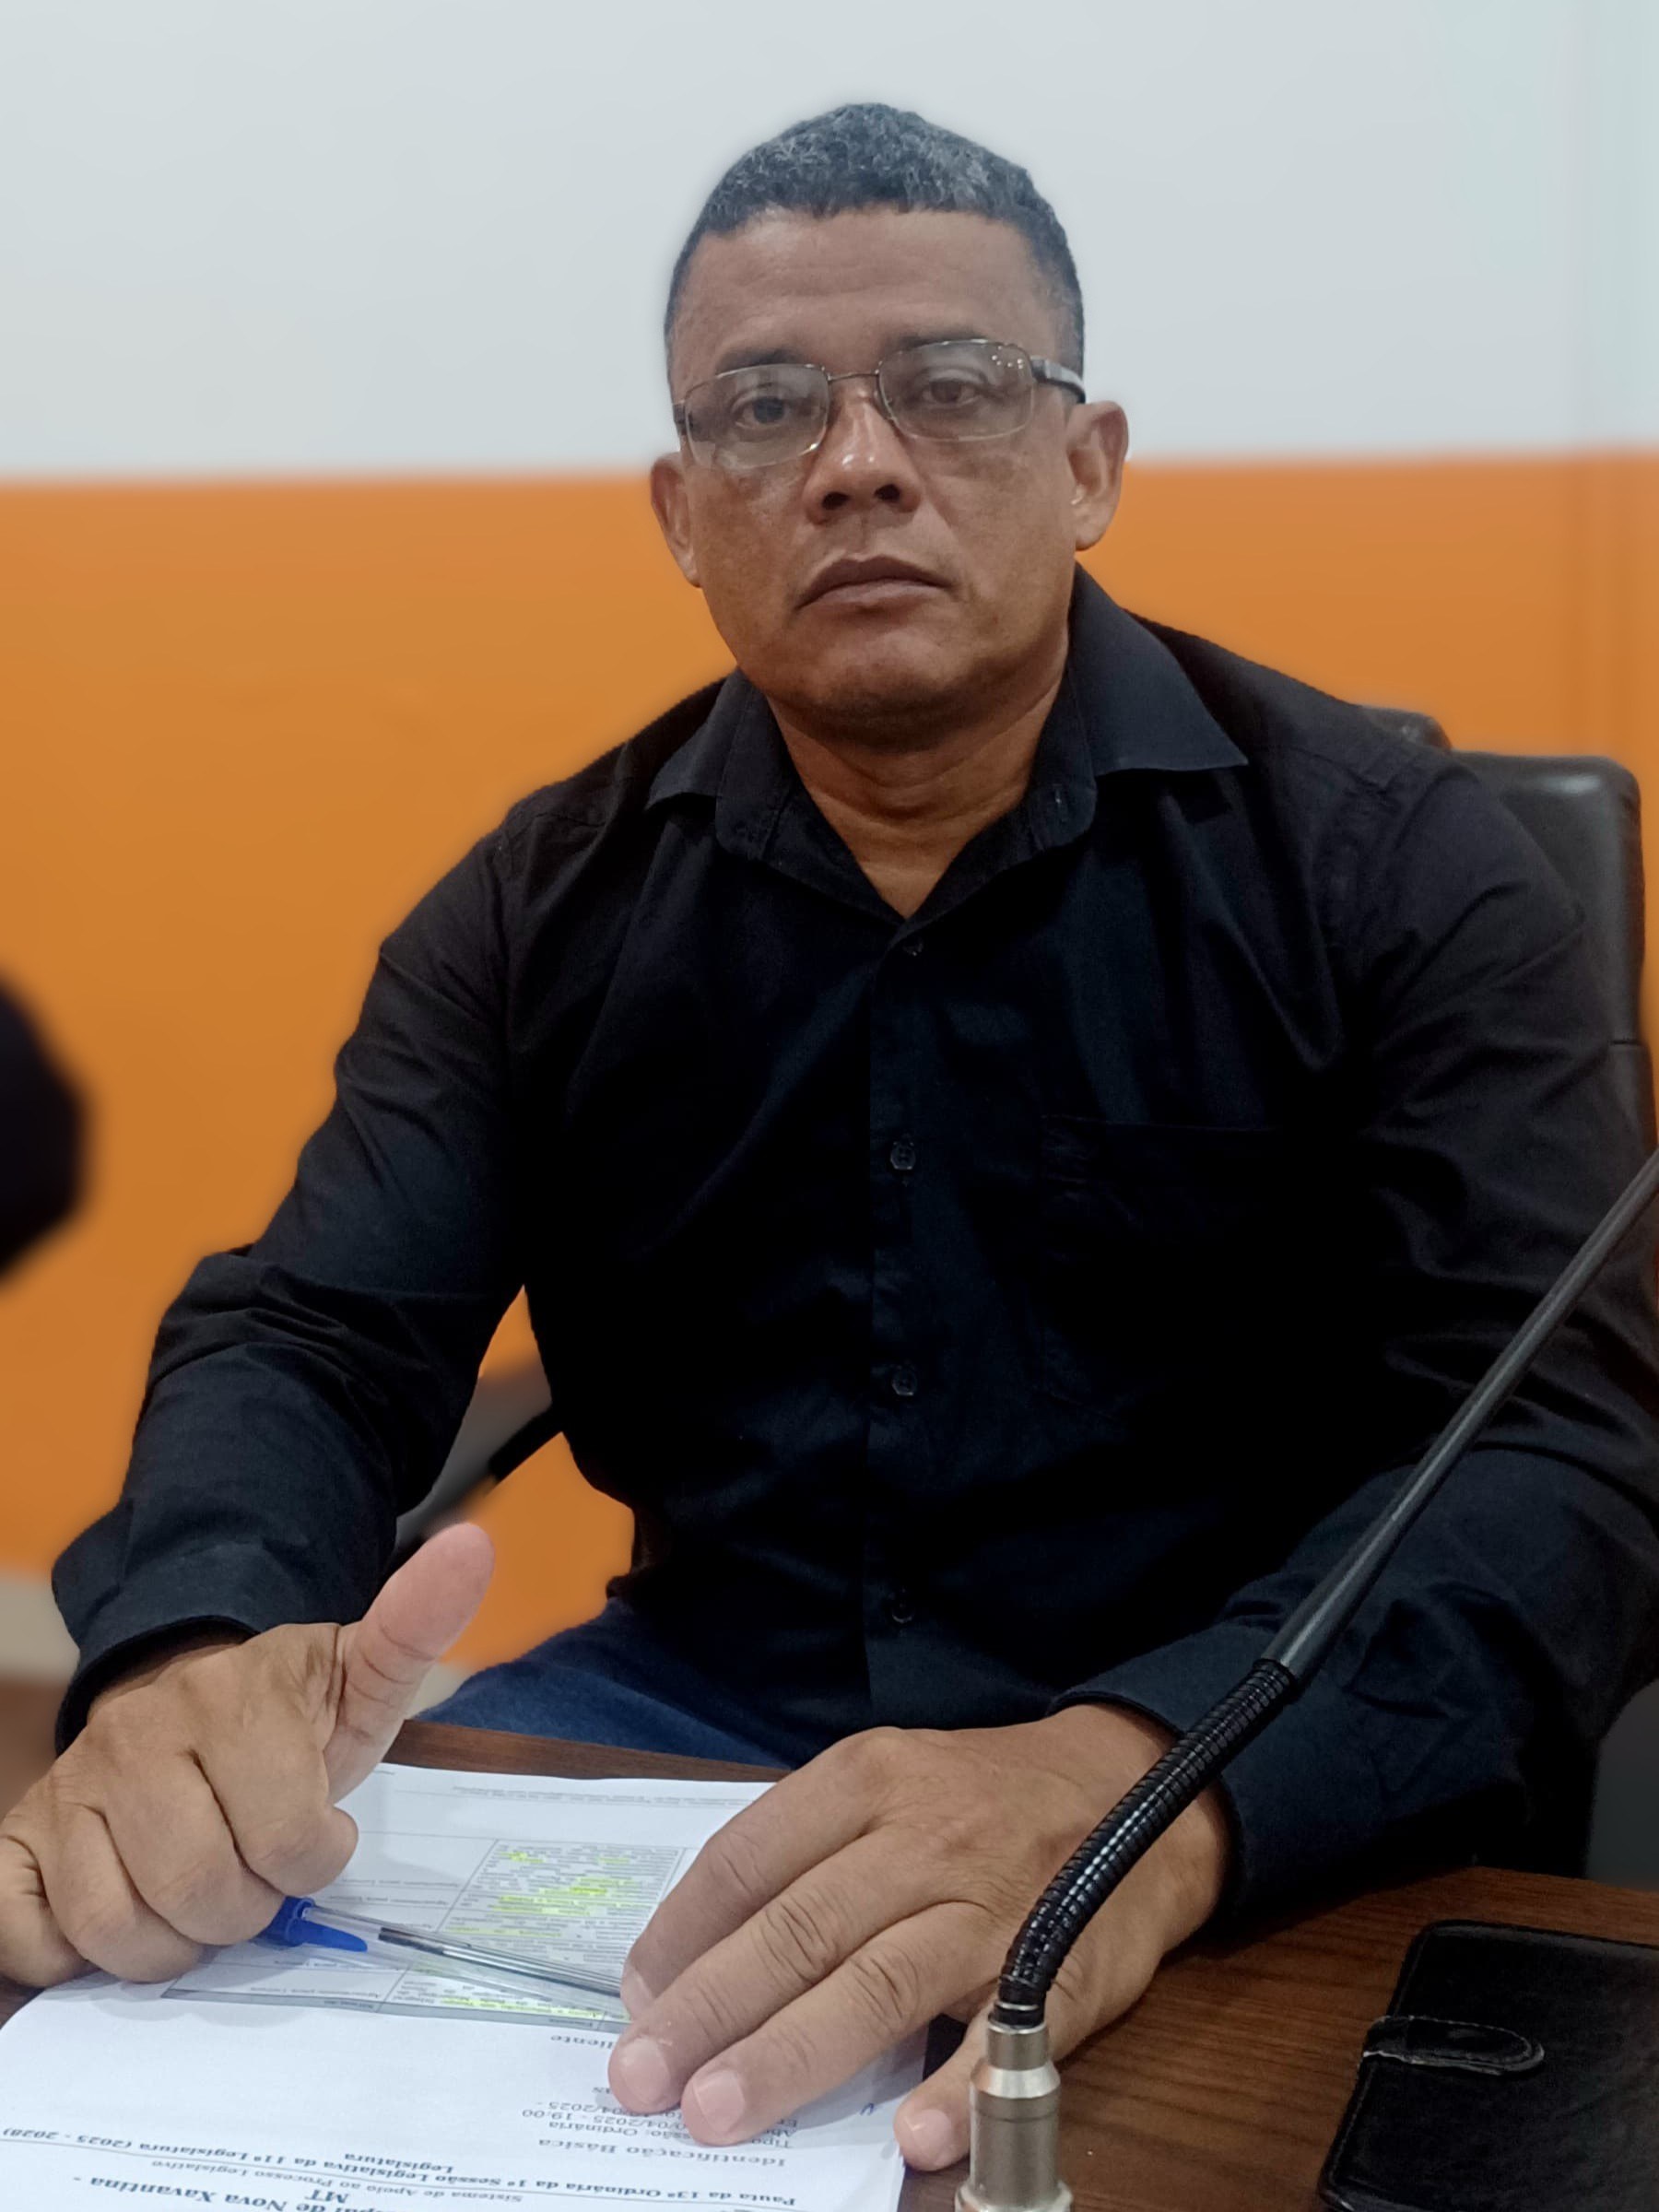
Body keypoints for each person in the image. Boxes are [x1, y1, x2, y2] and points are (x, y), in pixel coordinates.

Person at [4, 103, 1657, 2174]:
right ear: (683, 510)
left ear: (1089, 462)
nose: (857, 462)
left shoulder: (1397, 867)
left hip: (1238, 1765)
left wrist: (1146, 1784)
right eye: (766, 408)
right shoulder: (540, 909)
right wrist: (195, 1650)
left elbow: (1571, 1453)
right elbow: (313, 1330)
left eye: (951, 388)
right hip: (702, 1746)